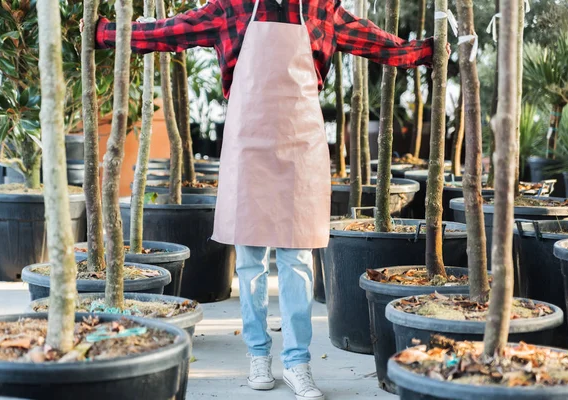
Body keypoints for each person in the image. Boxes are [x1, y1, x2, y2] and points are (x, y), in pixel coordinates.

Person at [88, 1, 445, 398]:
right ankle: (258, 355)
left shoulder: (320, 9)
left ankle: (297, 362)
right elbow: (171, 32)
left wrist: (428, 51)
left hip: (300, 145)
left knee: (297, 260)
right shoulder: (233, 7)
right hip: (249, 144)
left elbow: (377, 43)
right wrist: (106, 33)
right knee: (251, 259)